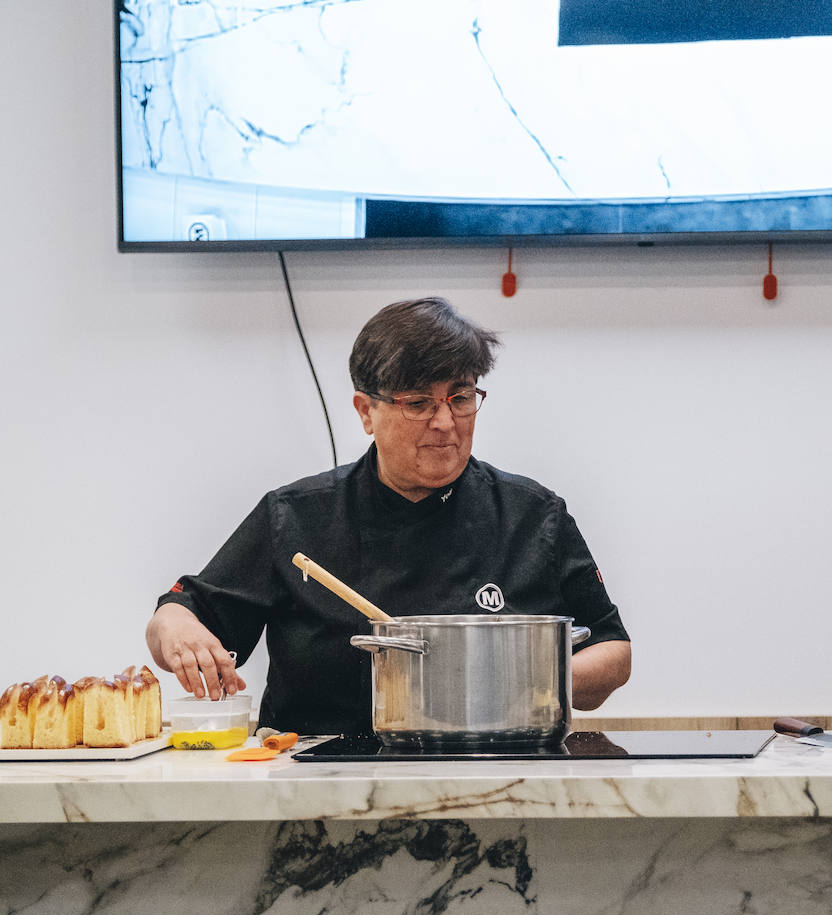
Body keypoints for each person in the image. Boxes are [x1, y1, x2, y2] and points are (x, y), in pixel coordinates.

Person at [146, 298, 631, 733]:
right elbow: (182, 613)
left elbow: (612, 650)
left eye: (460, 398)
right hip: (318, 780)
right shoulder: (295, 517)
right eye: (418, 403)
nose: (445, 423)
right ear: (365, 412)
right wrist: (176, 627)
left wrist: (525, 678)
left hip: (497, 766)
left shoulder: (533, 516)